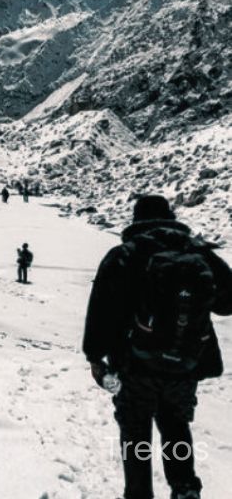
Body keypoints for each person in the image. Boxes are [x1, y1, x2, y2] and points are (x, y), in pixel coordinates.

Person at [83, 195, 232, 499]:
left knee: (136, 435)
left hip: (134, 364)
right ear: (170, 216)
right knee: (175, 426)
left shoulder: (124, 254)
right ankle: (184, 487)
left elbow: (101, 309)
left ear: (136, 219)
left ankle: (139, 495)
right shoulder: (196, 252)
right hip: (184, 364)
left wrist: (95, 357)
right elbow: (228, 303)